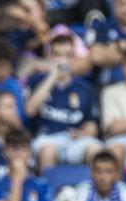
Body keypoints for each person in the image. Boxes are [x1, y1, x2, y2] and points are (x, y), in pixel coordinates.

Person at [24, 33, 100, 169]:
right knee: (48, 152)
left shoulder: (85, 87)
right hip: (46, 139)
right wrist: (52, 77)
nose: (62, 60)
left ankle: (90, 190)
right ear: (49, 56)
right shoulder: (36, 80)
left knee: (95, 151)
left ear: (74, 58)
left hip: (74, 141)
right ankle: (47, 189)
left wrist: (83, 133)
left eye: (67, 55)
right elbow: (29, 110)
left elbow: (92, 126)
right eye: (57, 55)